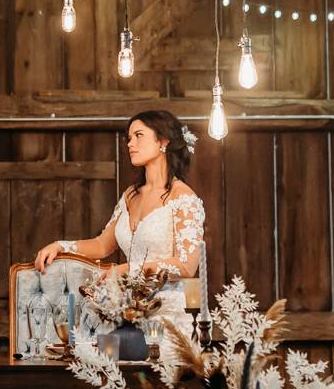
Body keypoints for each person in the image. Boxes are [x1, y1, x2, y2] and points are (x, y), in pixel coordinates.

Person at [33, 109, 206, 337]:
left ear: (163, 141)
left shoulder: (184, 198)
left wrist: (128, 270)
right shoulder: (130, 196)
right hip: (127, 310)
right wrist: (60, 246)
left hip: (167, 315)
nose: (130, 144)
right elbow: (103, 245)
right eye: (129, 138)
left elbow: (186, 265)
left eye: (139, 135)